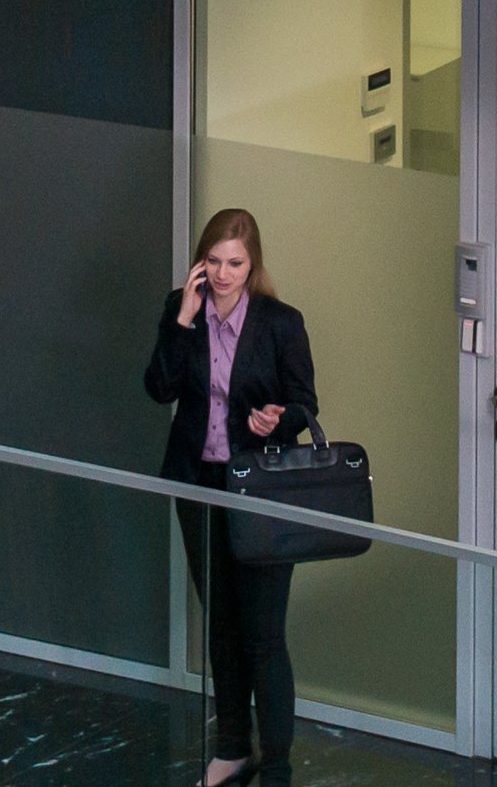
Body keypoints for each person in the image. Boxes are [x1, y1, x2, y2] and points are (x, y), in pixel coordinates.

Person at [146, 206, 320, 787]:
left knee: (263, 635)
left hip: (259, 489)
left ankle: (278, 768)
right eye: (214, 262)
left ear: (253, 265)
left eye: (235, 264)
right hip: (199, 485)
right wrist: (183, 320)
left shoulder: (280, 323)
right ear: (201, 262)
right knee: (221, 627)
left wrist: (278, 417)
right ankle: (232, 749)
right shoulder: (182, 309)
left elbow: (305, 404)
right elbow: (159, 388)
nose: (223, 275)